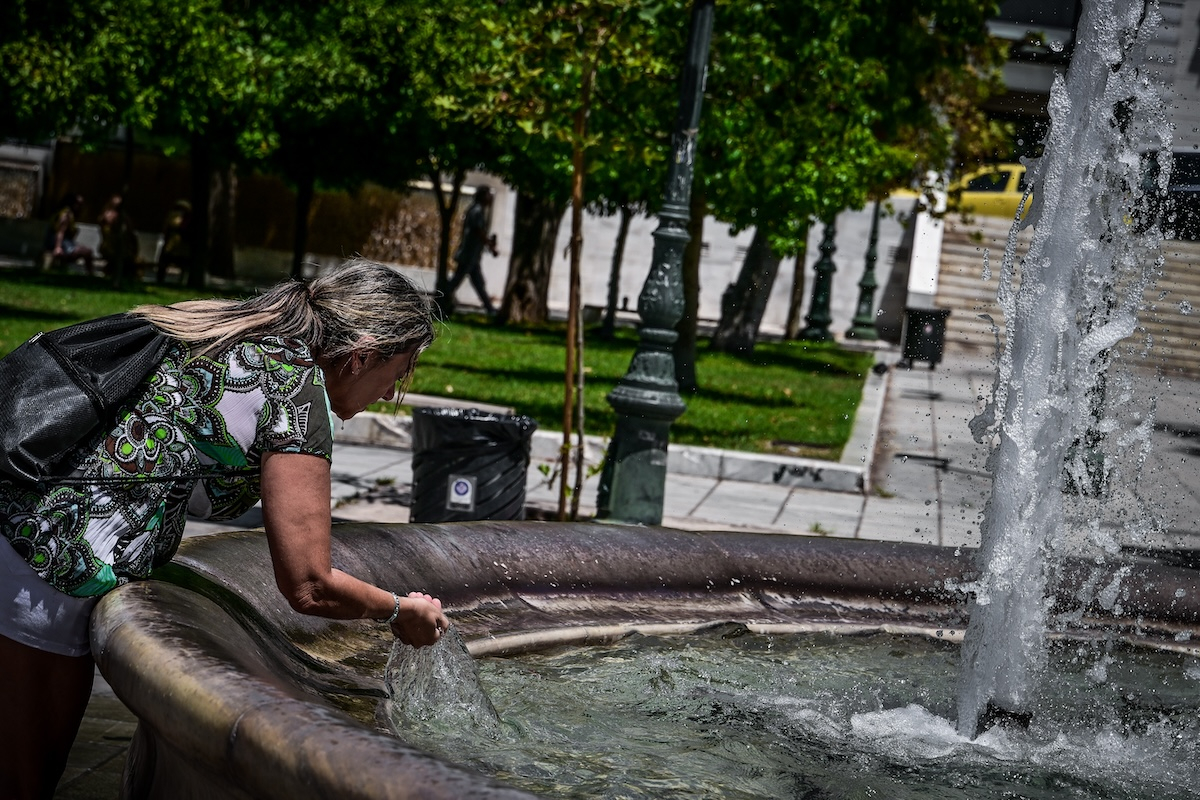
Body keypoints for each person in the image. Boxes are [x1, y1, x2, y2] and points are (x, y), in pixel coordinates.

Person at [0, 258, 450, 799]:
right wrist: (402, 610)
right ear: (362, 357)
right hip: (43, 559)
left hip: (32, 537)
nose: (388, 393)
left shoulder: (238, 330)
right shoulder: (294, 396)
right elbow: (310, 584)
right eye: (397, 375)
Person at [447, 186, 500, 316]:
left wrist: (488, 245)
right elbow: (478, 231)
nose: (490, 198)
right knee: (456, 282)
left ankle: (490, 309)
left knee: (478, 283)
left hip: (473, 256)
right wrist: (489, 244)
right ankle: (440, 302)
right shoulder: (476, 211)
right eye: (488, 194)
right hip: (468, 254)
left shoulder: (477, 210)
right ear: (482, 196)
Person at [44, 193, 96, 275]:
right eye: (78, 204)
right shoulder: (66, 215)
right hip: (59, 243)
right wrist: (57, 247)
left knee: (86, 250)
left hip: (66, 242)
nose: (80, 207)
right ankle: (90, 274)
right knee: (87, 252)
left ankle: (89, 274)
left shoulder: (67, 214)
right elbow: (60, 231)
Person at [98, 193, 140, 286]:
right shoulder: (111, 217)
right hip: (112, 247)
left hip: (119, 247)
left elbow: (131, 234)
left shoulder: (122, 217)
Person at [156, 198, 192, 285]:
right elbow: (168, 226)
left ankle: (182, 281)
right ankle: (160, 279)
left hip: (181, 246)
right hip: (171, 245)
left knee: (183, 264)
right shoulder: (173, 215)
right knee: (164, 262)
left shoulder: (187, 219)